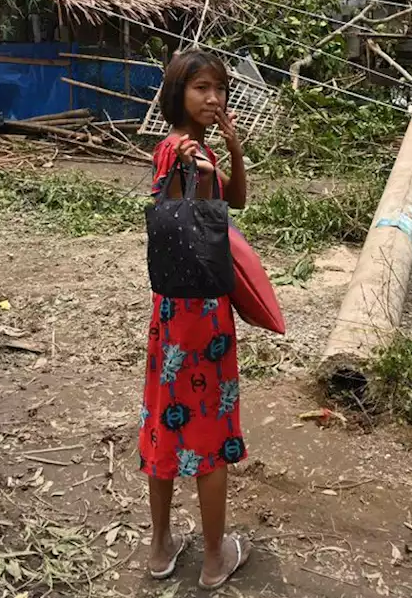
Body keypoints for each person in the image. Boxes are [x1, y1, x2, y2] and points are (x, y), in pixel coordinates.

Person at [141, 49, 252, 590]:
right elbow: (215, 215)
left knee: (166, 421)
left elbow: (235, 201)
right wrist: (206, 166)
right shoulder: (188, 154)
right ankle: (213, 558)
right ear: (177, 93)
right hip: (204, 312)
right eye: (201, 89)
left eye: (219, 90)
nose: (213, 99)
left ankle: (161, 548)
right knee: (210, 430)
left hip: (170, 310)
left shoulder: (175, 149)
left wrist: (231, 146)